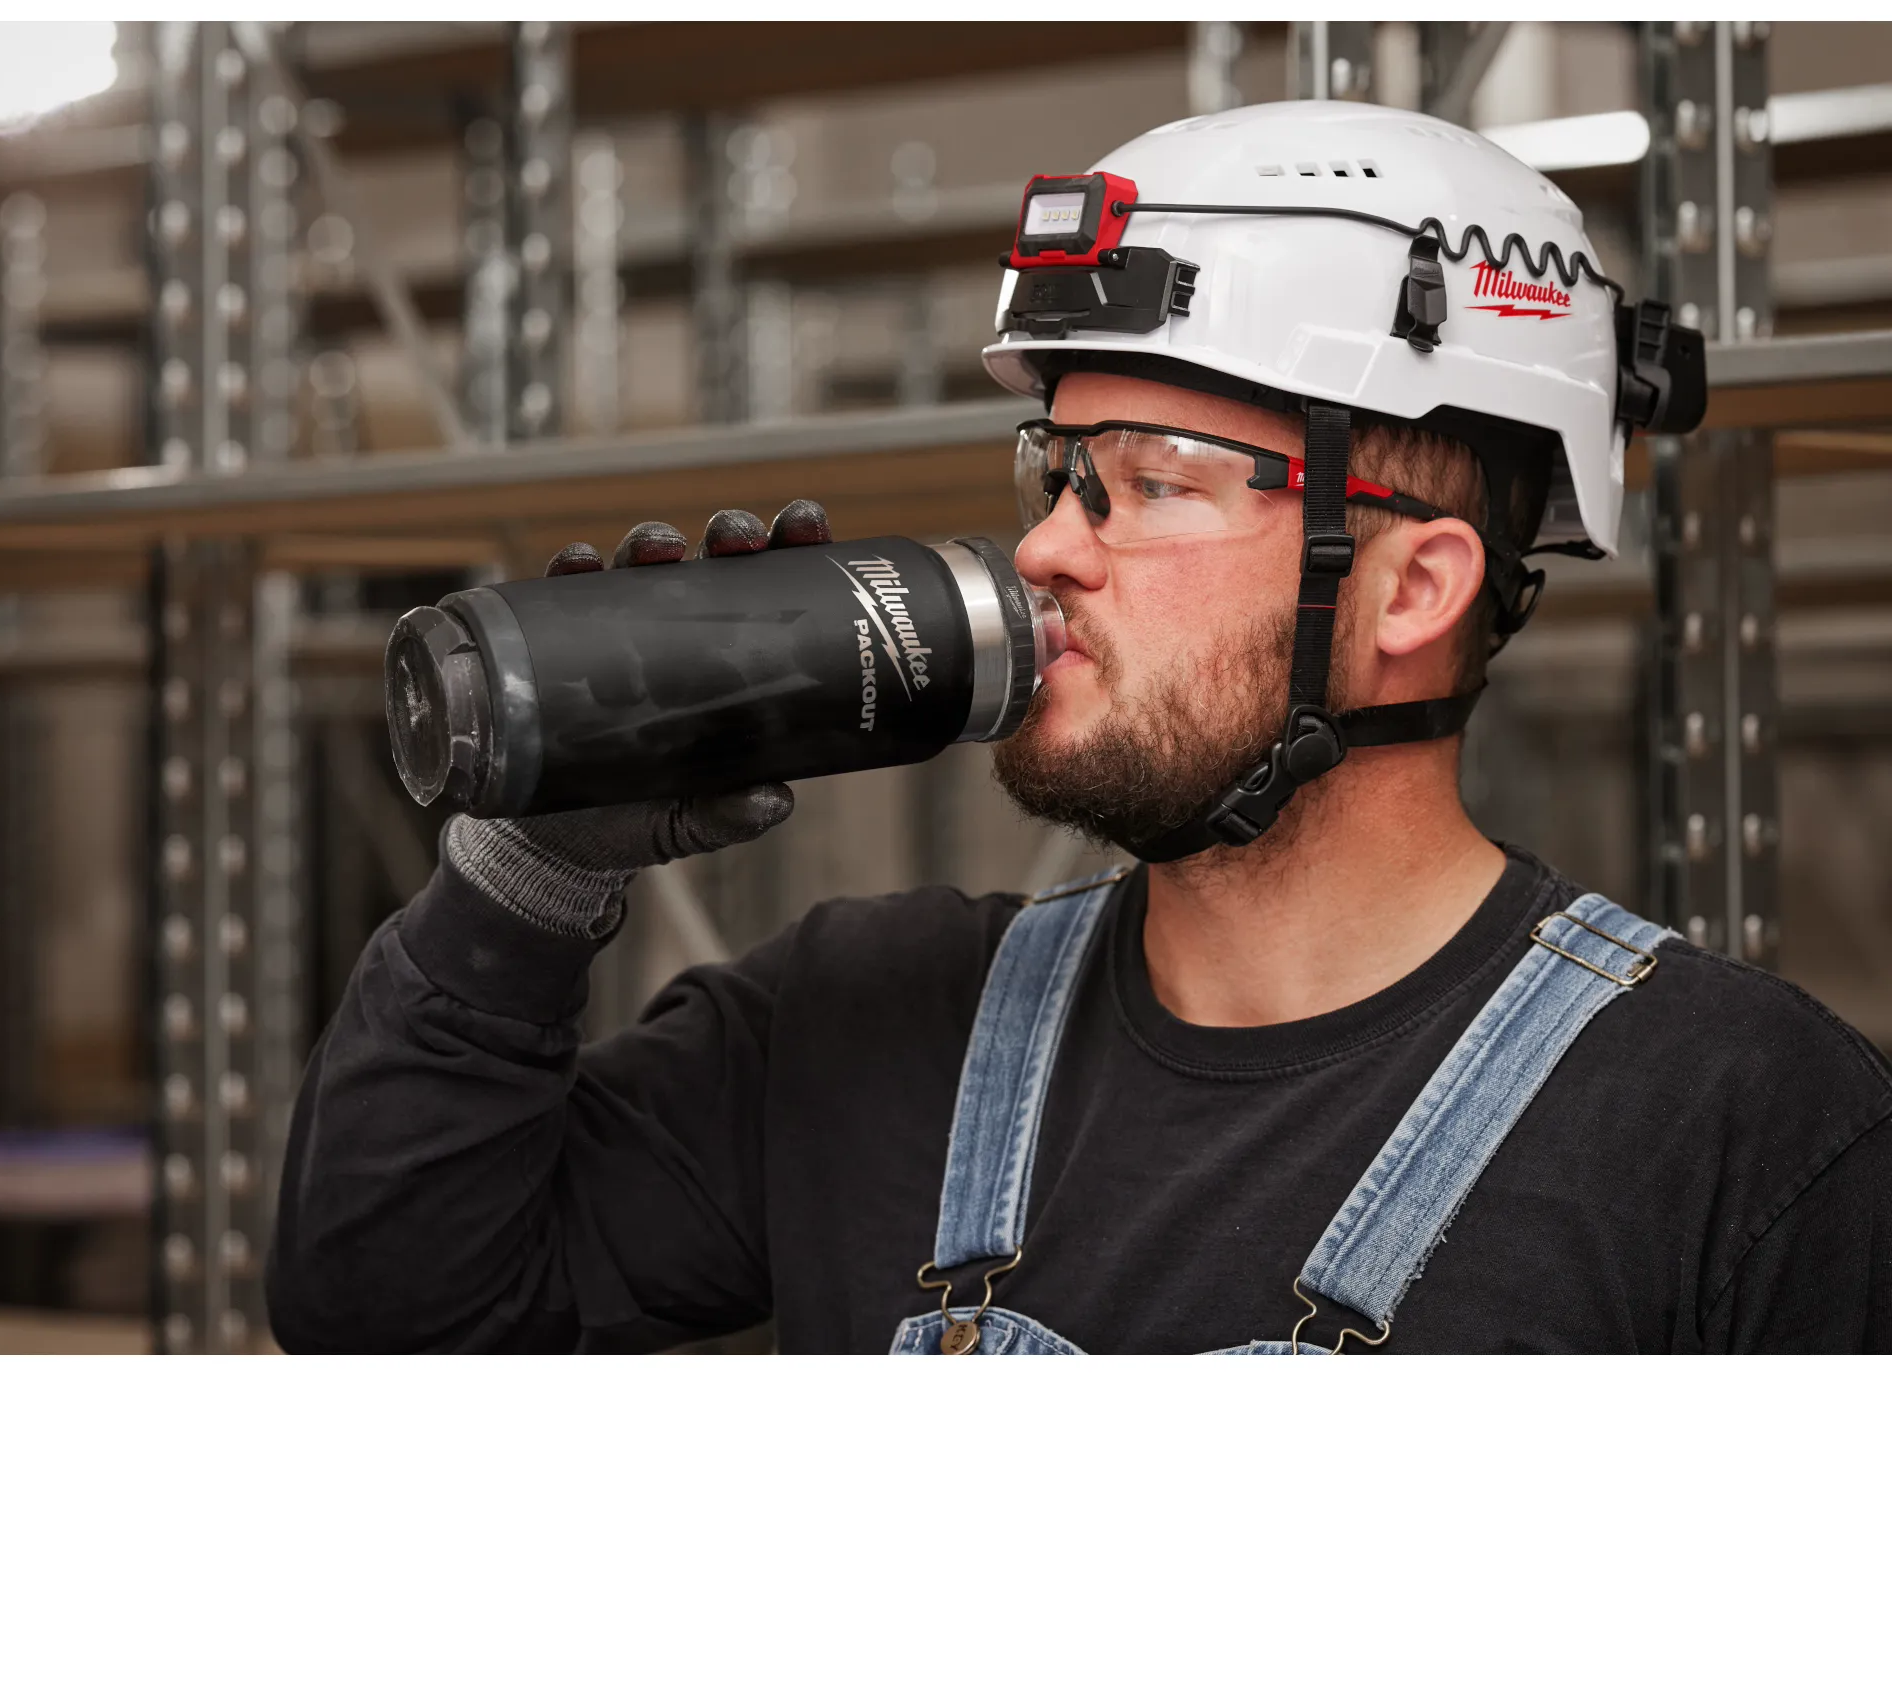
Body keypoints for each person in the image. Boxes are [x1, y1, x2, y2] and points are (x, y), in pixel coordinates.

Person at [268, 101, 1892, 1354]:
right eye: (1063, 472)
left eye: (1161, 484)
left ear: (1413, 589)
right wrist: (529, 875)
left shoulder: (1738, 1131)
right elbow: (388, 1314)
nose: (1048, 547)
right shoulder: (858, 1027)